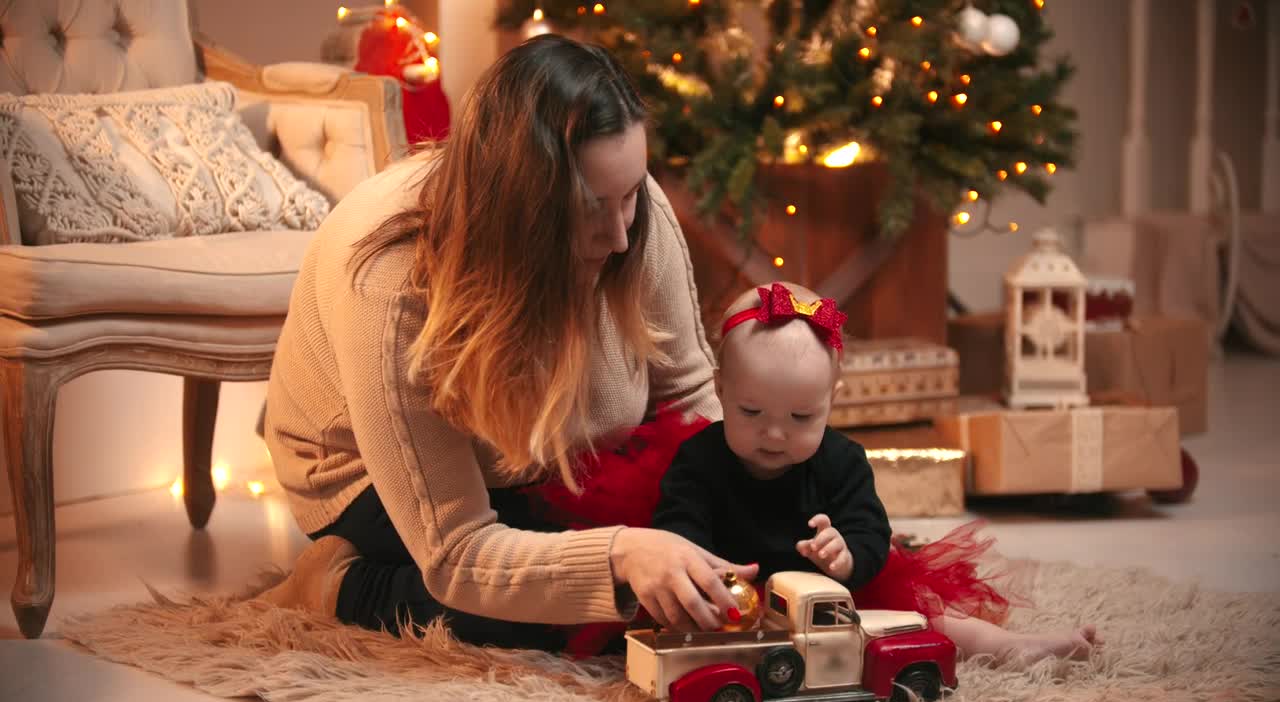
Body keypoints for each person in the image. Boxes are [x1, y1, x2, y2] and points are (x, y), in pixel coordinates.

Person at [256, 34, 757, 650]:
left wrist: (761, 492)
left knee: (713, 554)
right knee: (561, 612)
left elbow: (687, 393)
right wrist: (621, 553)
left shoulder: (629, 204)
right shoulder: (391, 282)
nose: (621, 235)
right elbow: (456, 552)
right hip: (369, 476)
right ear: (523, 211)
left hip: (552, 454)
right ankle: (338, 584)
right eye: (593, 206)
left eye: (630, 194)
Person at [648, 282, 1101, 665]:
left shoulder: (842, 461)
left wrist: (846, 557)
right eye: (751, 411)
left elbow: (870, 529)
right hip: (730, 599)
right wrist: (700, 577)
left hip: (831, 594)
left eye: (801, 417)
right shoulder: (699, 460)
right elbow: (677, 526)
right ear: (720, 389)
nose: (774, 433)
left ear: (832, 401)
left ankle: (1007, 647)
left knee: (922, 615)